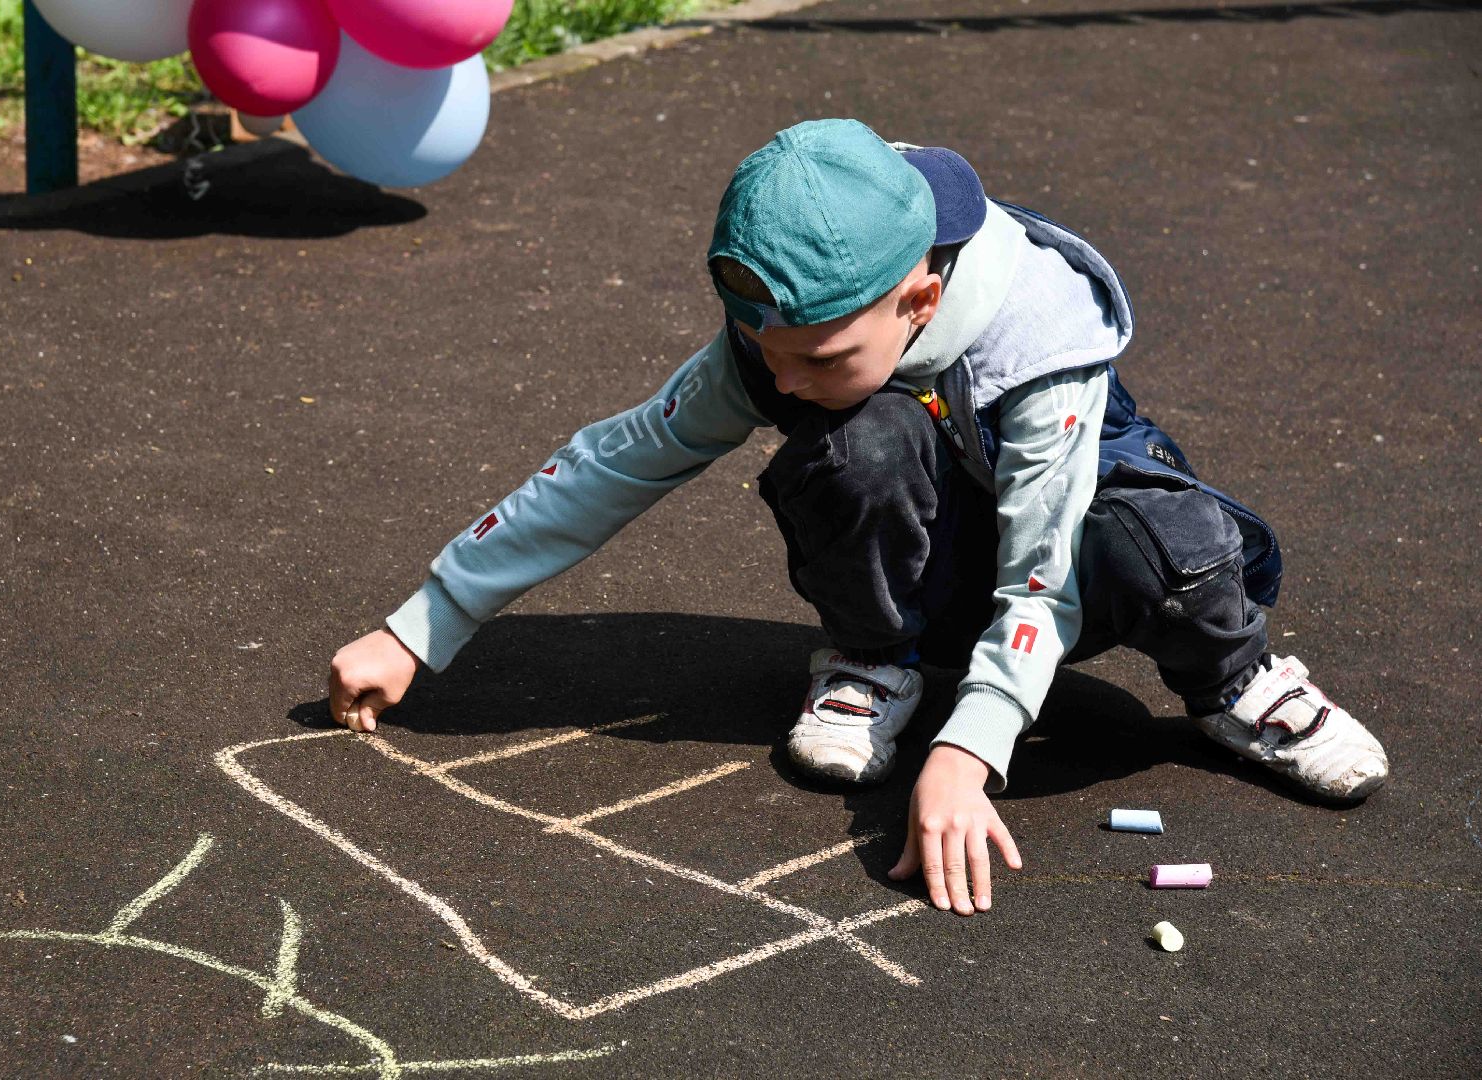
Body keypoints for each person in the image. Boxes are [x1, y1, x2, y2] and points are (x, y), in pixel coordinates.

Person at [328, 119, 1388, 918]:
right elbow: (614, 462)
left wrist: (968, 750)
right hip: (940, 562)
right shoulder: (794, 329)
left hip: (1074, 547)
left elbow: (1043, 567)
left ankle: (1234, 681)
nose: (783, 382)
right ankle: (876, 658)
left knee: (1170, 542)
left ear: (918, 300)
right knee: (849, 446)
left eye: (819, 358)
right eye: (768, 356)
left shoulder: (1039, 344)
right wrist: (423, 620)